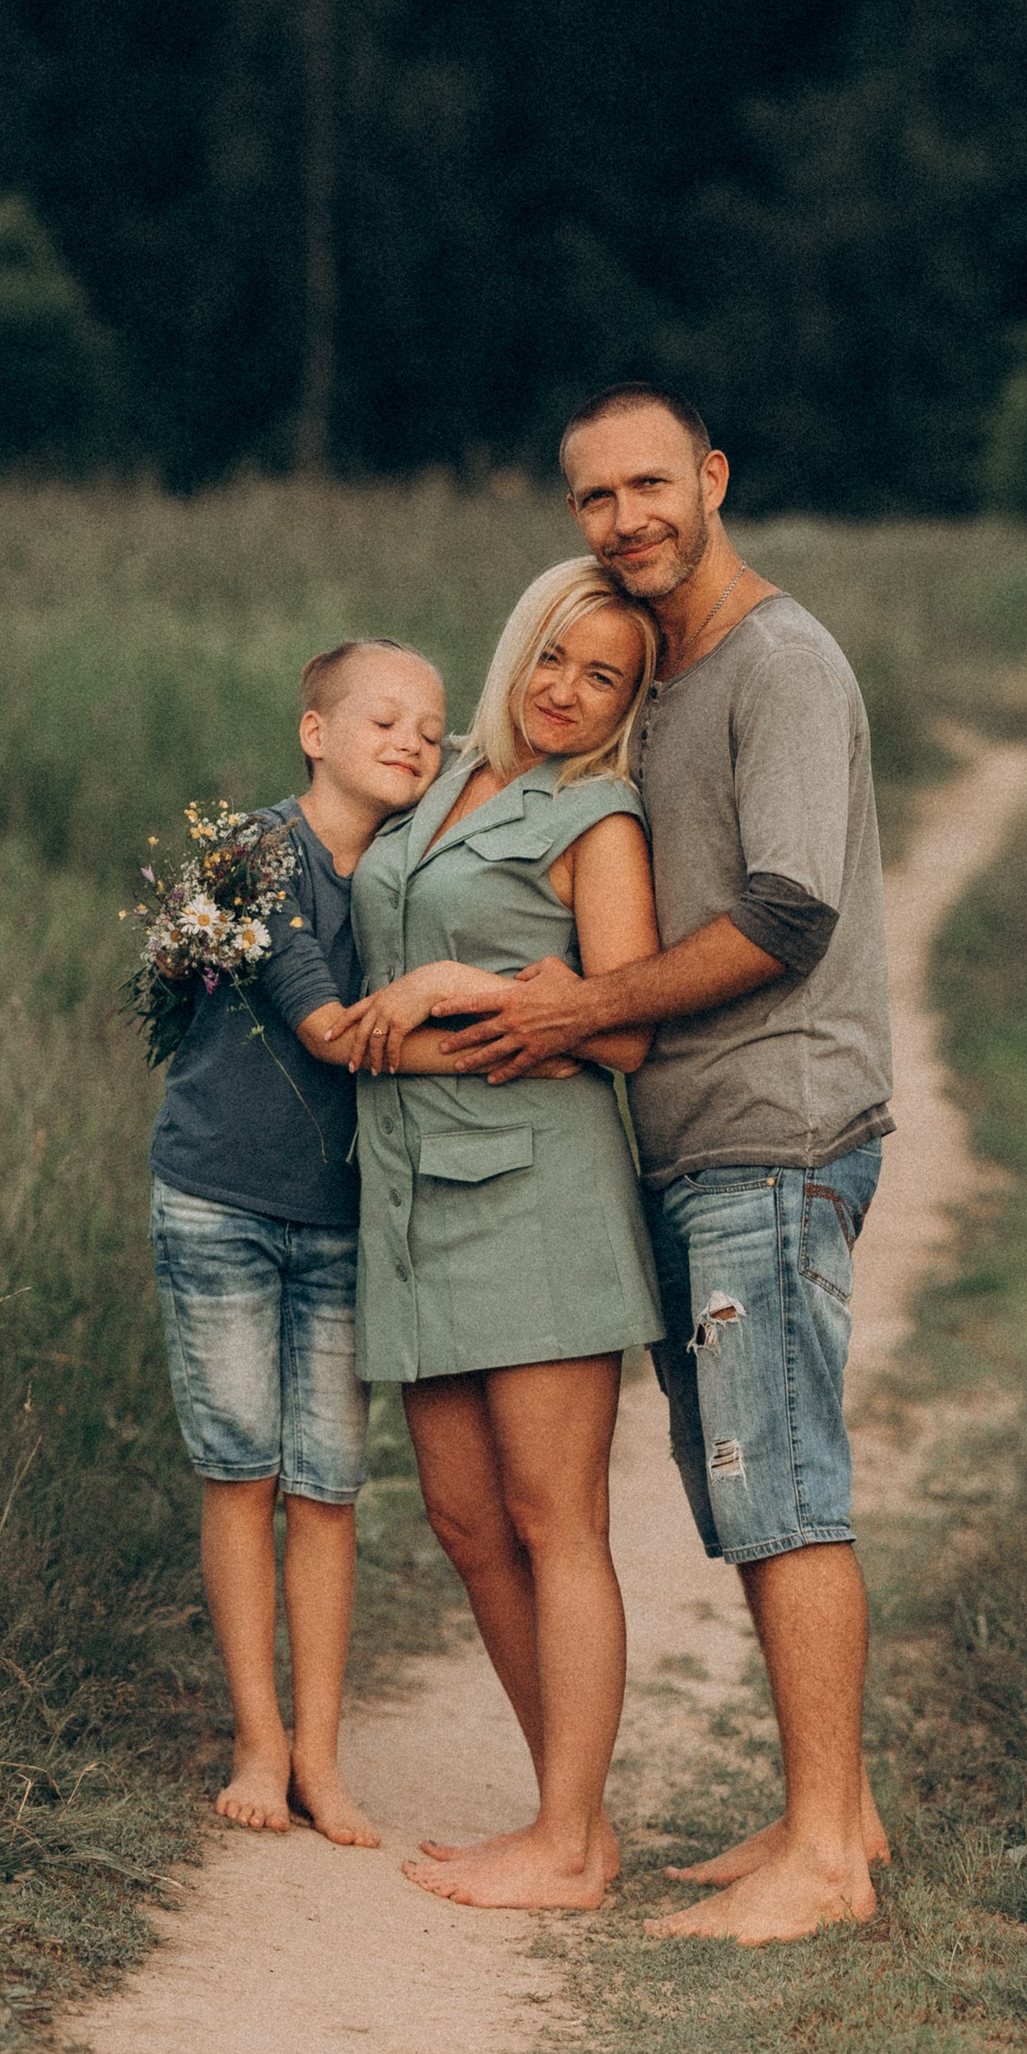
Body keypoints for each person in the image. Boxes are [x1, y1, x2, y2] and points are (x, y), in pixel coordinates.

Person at [445, 386, 894, 1944]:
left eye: (651, 484)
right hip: (691, 1142)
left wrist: (583, 1006)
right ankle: (828, 1811)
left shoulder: (779, 660)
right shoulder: (668, 672)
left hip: (777, 1124)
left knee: (782, 1485)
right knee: (743, 1483)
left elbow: (786, 916)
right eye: (593, 499)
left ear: (712, 477)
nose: (626, 518)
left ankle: (825, 1865)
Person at [325, 560, 664, 1910]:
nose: (571, 693)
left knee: (554, 1519)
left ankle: (568, 1846)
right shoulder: (441, 772)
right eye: (557, 659)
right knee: (468, 1526)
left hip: (536, 1192)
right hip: (409, 1196)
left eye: (608, 678)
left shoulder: (601, 816)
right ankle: (571, 1815)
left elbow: (626, 1024)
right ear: (517, 646)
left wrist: (456, 986)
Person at [146, 636, 447, 1849]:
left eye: (431, 728)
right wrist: (534, 1039)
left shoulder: (419, 872)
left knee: (328, 1485)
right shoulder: (259, 851)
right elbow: (327, 1028)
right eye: (382, 719)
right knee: (245, 1469)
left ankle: (321, 1755)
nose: (411, 742)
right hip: (221, 1194)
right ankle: (257, 1741)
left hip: (341, 1211)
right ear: (313, 732)